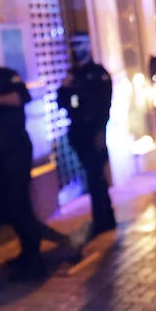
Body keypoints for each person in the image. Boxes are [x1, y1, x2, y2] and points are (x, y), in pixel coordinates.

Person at [0, 35, 75, 279]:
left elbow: (21, 98)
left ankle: (33, 257)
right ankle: (27, 254)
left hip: (15, 149)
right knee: (8, 204)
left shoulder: (7, 76)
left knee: (19, 202)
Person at [58, 32, 116, 236]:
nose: (76, 49)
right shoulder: (73, 76)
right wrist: (64, 87)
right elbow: (62, 104)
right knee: (92, 176)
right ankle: (102, 217)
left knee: (96, 176)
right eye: (73, 45)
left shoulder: (98, 74)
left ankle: (104, 218)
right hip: (79, 133)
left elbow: (104, 105)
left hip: (95, 131)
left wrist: (101, 130)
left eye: (80, 44)